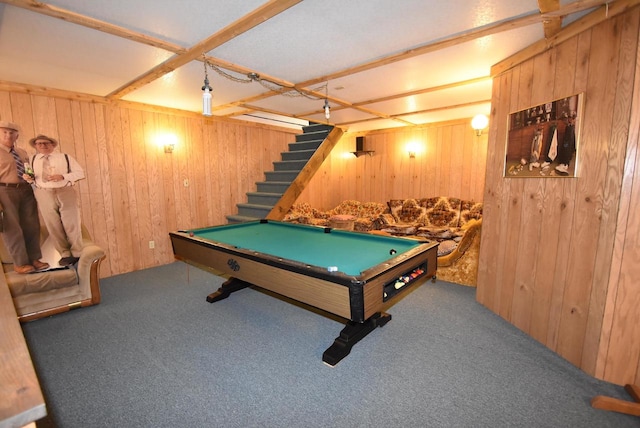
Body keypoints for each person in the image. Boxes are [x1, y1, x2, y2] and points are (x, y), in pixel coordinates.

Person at [24, 135, 85, 266]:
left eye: (46, 143)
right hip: (43, 193)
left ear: (53, 145)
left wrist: (63, 176)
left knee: (72, 222)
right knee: (53, 224)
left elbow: (80, 173)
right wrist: (29, 179)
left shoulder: (65, 157)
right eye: (39, 144)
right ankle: (65, 254)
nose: (43, 146)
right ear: (35, 146)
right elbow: (30, 177)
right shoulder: (32, 159)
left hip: (65, 191)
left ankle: (77, 252)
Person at [0, 121, 49, 274]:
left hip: (26, 190)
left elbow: (29, 171)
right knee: (12, 228)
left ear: (17, 136)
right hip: (5, 191)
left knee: (32, 225)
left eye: (12, 132)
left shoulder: (22, 152)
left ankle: (34, 259)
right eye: (4, 132)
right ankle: (20, 263)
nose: (8, 135)